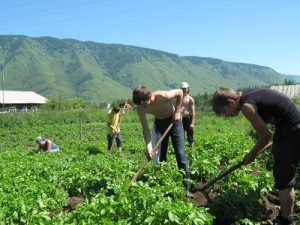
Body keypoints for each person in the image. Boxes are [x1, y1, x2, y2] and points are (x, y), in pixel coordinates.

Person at [212, 87, 300, 225]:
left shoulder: (247, 107)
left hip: (292, 128)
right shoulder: (248, 95)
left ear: (231, 102)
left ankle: (286, 220)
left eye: (224, 112)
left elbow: (265, 135)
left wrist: (252, 154)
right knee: (281, 170)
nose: (226, 116)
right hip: (287, 127)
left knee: (284, 177)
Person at [132, 85, 191, 190]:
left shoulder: (163, 96)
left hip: (174, 122)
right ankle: (162, 183)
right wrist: (149, 147)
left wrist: (177, 111)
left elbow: (180, 93)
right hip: (160, 124)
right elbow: (145, 129)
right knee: (161, 155)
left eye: (144, 104)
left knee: (180, 153)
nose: (143, 107)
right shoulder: (140, 108)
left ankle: (187, 185)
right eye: (140, 105)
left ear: (150, 96)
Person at [180, 82, 196, 148]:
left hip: (187, 118)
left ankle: (191, 150)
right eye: (182, 88)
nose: (184, 89)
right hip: (180, 119)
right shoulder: (179, 98)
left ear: (187, 89)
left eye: (185, 88)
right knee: (180, 135)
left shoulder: (190, 99)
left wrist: (192, 122)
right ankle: (182, 150)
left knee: (190, 135)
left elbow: (193, 111)